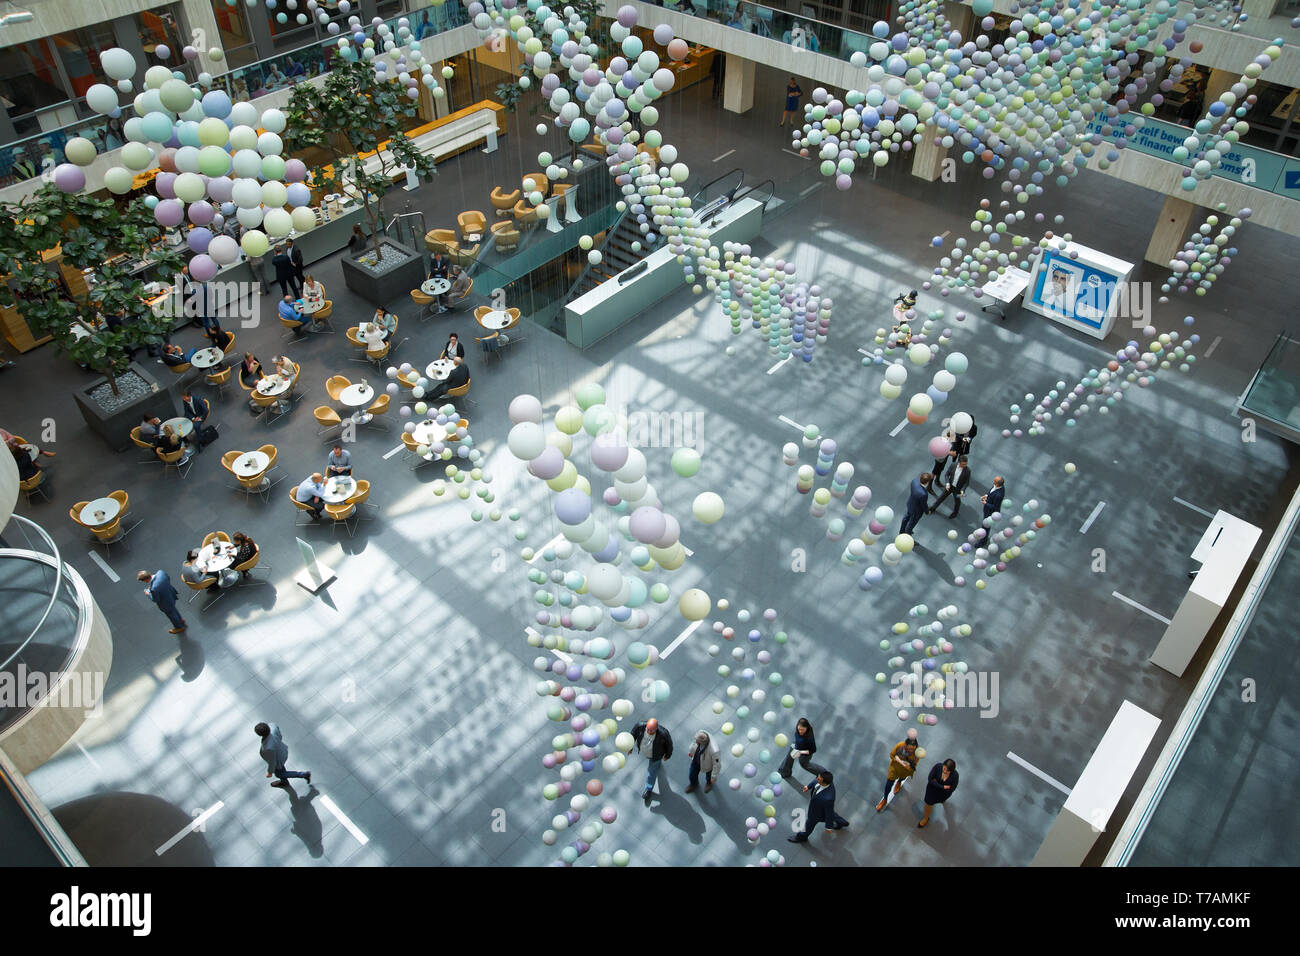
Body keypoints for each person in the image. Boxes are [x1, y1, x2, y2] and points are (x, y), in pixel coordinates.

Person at [788, 770, 849, 842]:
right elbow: (815, 782)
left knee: (809, 823)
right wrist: (808, 787)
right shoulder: (826, 781)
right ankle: (842, 822)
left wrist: (828, 827)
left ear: (824, 782)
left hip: (816, 812)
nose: (817, 779)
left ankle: (802, 837)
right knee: (833, 814)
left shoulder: (828, 798)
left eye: (819, 779)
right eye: (818, 777)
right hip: (821, 807)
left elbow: (829, 813)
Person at [255, 722, 311, 789]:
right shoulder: (272, 726)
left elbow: (272, 762)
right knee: (281, 770)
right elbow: (280, 736)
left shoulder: (268, 748)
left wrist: (270, 772)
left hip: (278, 759)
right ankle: (284, 782)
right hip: (282, 751)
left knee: (280, 774)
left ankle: (304, 775)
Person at [630, 718, 673, 804]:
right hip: (645, 751)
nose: (649, 732)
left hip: (656, 756)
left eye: (651, 731)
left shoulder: (663, 734)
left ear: (656, 729)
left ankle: (648, 789)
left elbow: (669, 745)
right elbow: (632, 735)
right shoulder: (640, 726)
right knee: (654, 768)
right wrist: (630, 746)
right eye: (648, 729)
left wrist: (668, 755)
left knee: (652, 771)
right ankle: (658, 764)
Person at [876, 737, 920, 811]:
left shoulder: (917, 753)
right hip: (895, 768)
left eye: (913, 749)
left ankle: (899, 782)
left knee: (902, 777)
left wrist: (910, 766)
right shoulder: (900, 746)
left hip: (905, 770)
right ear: (905, 745)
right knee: (888, 784)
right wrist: (899, 761)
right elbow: (892, 755)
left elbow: (915, 764)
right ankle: (885, 799)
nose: (911, 751)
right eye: (910, 749)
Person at [777, 716, 827, 781]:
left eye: (802, 730)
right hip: (798, 745)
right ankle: (785, 771)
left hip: (805, 752)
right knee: (790, 755)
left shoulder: (809, 739)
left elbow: (812, 750)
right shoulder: (798, 731)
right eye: (799, 729)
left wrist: (801, 752)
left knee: (804, 765)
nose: (800, 731)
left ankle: (823, 773)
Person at [138, 569, 186, 633]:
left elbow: (155, 599)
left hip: (165, 603)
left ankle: (179, 627)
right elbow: (167, 579)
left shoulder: (154, 589)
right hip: (171, 594)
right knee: (173, 609)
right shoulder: (161, 573)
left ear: (145, 580)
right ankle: (180, 620)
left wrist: (148, 594)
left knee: (171, 615)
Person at [918, 759, 958, 828]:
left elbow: (952, 789)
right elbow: (930, 779)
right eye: (944, 768)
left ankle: (942, 801)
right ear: (943, 765)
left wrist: (936, 783)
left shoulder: (955, 775)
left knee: (941, 800)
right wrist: (943, 787)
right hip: (931, 791)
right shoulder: (938, 767)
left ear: (951, 771)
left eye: (947, 771)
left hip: (943, 795)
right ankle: (926, 818)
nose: (945, 771)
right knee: (928, 804)